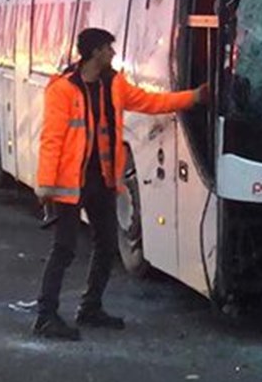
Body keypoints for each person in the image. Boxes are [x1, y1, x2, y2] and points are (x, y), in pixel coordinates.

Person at [33, 28, 208, 340]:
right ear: (95, 52)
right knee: (64, 249)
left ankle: (90, 307)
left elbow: (150, 101)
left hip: (101, 180)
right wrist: (45, 183)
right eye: (108, 49)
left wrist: (192, 98)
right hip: (69, 184)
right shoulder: (63, 89)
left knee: (107, 244)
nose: (113, 54)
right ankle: (45, 316)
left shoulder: (113, 84)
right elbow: (52, 139)